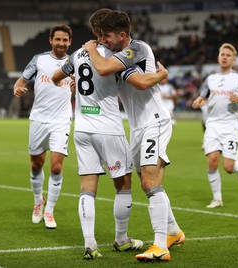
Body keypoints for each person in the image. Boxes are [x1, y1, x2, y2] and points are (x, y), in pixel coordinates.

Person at [51, 8, 158, 260]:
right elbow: (138, 82)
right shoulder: (115, 56)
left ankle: (90, 244)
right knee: (123, 185)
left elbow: (56, 77)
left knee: (87, 188)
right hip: (108, 129)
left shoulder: (77, 53)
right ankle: (121, 239)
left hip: (82, 129)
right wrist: (159, 74)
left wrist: (73, 85)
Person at [83, 10, 185, 262]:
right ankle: (173, 231)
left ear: (122, 35)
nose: (102, 40)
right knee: (146, 182)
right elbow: (135, 80)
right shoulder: (119, 57)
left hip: (155, 122)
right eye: (98, 36)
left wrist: (90, 48)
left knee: (150, 182)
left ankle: (161, 245)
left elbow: (108, 69)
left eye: (106, 36)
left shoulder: (137, 48)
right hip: (138, 127)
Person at [13, 24, 73, 229]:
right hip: (39, 118)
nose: (61, 43)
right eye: (58, 39)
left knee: (56, 167)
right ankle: (38, 201)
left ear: (70, 42)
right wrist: (18, 89)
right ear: (51, 40)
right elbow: (21, 81)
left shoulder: (75, 62)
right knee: (36, 165)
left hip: (62, 120)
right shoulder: (39, 60)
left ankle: (49, 211)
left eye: (65, 40)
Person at [192, 43, 238, 209]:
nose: (225, 57)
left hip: (230, 126)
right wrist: (198, 101)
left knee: (228, 168)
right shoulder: (210, 79)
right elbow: (203, 97)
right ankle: (217, 199)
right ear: (218, 57)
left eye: (228, 55)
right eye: (222, 54)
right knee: (212, 161)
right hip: (212, 124)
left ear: (233, 59)